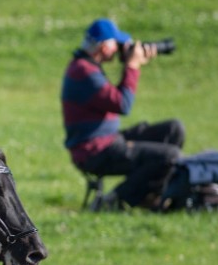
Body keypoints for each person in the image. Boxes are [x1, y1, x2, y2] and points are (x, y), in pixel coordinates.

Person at [61, 18, 185, 210]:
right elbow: (122, 104)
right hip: (94, 151)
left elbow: (115, 99)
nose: (119, 48)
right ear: (103, 46)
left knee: (173, 130)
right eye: (116, 44)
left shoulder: (87, 67)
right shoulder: (82, 71)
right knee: (170, 156)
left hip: (108, 140)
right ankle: (113, 200)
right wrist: (132, 66)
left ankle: (149, 194)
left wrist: (129, 64)